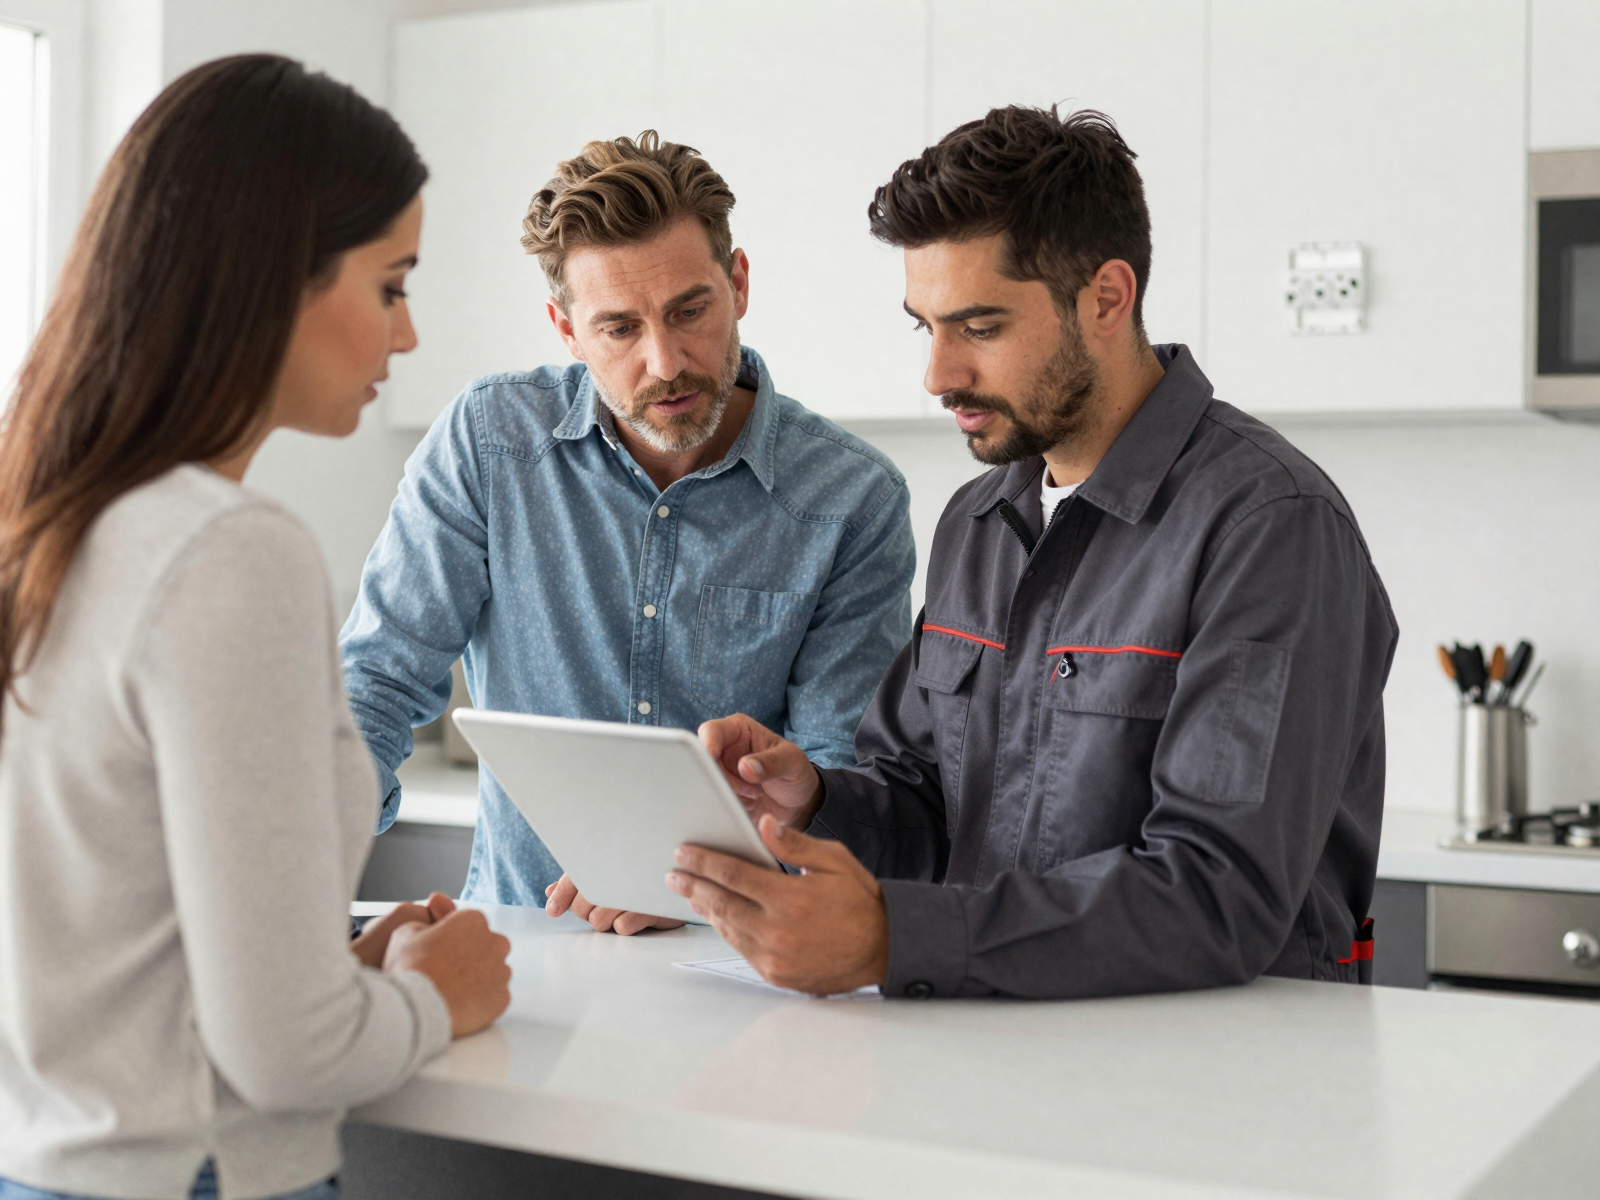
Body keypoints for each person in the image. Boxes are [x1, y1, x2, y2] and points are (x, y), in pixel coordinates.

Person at [668, 106, 1399, 1000]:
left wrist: (900, 937)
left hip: (1215, 1089)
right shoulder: (978, 521)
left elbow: (1221, 893)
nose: (938, 375)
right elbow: (933, 807)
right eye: (924, 327)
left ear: (1106, 298)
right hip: (1007, 1053)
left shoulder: (1270, 527)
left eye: (979, 327)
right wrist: (815, 802)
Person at [0, 56, 512, 1200]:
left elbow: (108, 942)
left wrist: (342, 978)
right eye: (391, 285)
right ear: (277, 277)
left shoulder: (44, 523)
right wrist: (440, 997)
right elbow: (283, 1056)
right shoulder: (227, 552)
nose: (410, 333)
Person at [340, 132, 915, 927]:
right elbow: (375, 682)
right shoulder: (490, 441)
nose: (666, 362)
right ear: (566, 329)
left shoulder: (850, 499)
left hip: (735, 964)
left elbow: (837, 783)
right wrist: (297, 854)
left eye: (691, 311)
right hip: (513, 947)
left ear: (738, 284)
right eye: (619, 329)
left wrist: (683, 880)